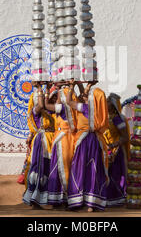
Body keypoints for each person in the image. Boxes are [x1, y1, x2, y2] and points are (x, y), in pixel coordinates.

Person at [66, 80, 109, 212]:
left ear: (91, 100)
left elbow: (69, 101)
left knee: (79, 169)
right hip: (94, 142)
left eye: (88, 95)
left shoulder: (83, 108)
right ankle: (91, 203)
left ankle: (77, 201)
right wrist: (86, 86)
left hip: (84, 142)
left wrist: (72, 86)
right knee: (93, 170)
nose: (85, 95)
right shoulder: (96, 112)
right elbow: (83, 95)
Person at [22, 82, 56, 209]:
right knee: (40, 169)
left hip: (53, 140)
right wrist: (39, 88)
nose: (52, 100)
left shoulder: (53, 110)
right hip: (42, 141)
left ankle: (50, 199)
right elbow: (42, 105)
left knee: (50, 169)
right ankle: (35, 199)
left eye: (53, 98)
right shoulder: (36, 110)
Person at [45, 82, 77, 209]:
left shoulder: (62, 108)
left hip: (63, 141)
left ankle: (67, 199)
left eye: (58, 97)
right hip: (65, 140)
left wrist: (46, 91)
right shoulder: (67, 108)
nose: (56, 100)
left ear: (63, 99)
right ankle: (60, 198)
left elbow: (46, 106)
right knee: (61, 168)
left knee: (63, 169)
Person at [103, 93, 130, 207]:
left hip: (116, 151)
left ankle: (116, 199)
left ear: (113, 105)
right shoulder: (104, 117)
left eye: (108, 101)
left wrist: (113, 145)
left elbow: (125, 137)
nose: (106, 103)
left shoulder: (118, 119)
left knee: (115, 175)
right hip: (106, 149)